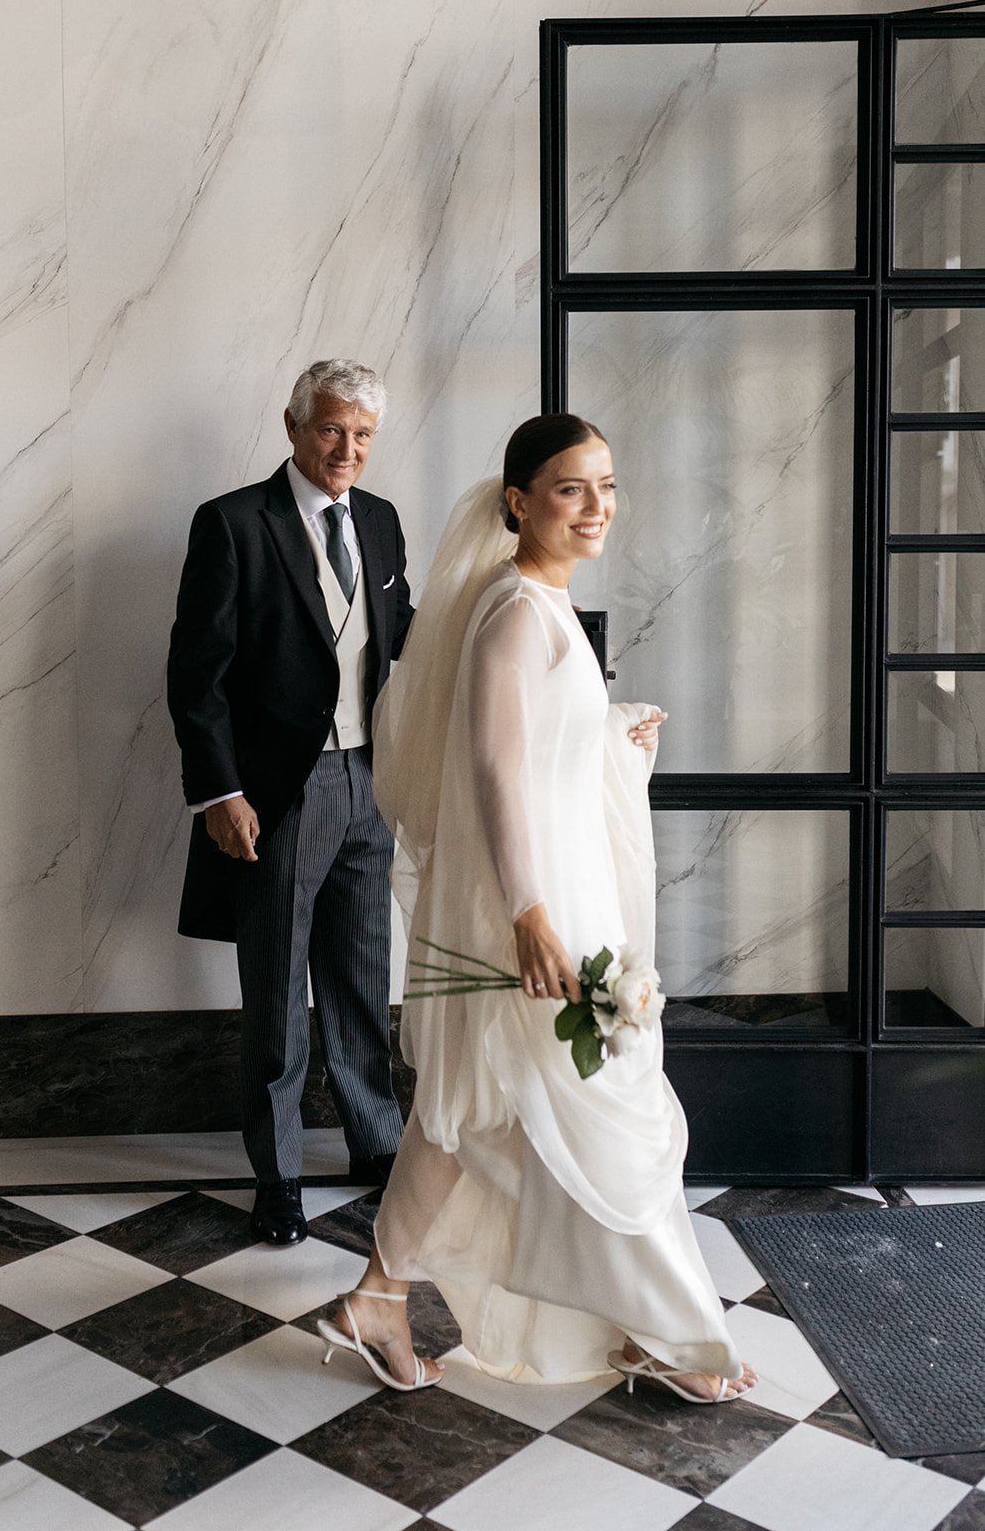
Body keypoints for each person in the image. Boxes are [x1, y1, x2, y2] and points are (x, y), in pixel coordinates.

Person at [317, 413, 757, 1402]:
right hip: (537, 910)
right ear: (518, 500)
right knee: (609, 1110)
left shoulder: (541, 606)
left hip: (561, 895)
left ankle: (378, 1295)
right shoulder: (515, 610)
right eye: (571, 487)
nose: (597, 505)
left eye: (605, 485)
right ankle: (669, 1335)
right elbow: (494, 774)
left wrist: (611, 734)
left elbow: (545, 746)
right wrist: (526, 914)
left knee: (464, 1111)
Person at [167, 359, 412, 1248]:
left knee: (359, 976)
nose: (347, 449)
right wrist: (220, 793)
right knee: (276, 993)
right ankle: (277, 1176)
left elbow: (401, 639)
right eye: (331, 430)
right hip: (277, 793)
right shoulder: (233, 523)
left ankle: (375, 1146)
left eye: (362, 436)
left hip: (368, 783)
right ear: (293, 426)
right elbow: (198, 679)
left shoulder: (379, 522)